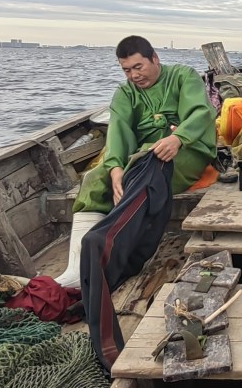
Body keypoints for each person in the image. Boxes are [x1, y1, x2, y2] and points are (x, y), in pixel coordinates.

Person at [54, 35, 217, 288]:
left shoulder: (183, 76)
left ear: (155, 59)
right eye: (127, 70)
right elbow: (118, 131)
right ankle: (76, 267)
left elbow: (201, 112)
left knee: (148, 168)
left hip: (188, 151)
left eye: (138, 67)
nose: (134, 76)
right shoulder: (124, 93)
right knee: (95, 178)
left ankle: (121, 256)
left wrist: (178, 138)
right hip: (142, 155)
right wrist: (116, 167)